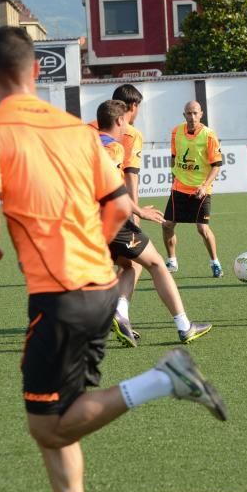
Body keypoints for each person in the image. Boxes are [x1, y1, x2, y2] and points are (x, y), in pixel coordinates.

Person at [0, 27, 227, 492]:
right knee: (64, 413)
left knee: (46, 427)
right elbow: (120, 205)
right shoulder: (75, 131)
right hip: (99, 287)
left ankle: (161, 381)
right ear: (38, 71)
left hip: (59, 293)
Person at [95, 100, 212, 347]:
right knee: (157, 264)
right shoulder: (113, 149)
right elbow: (112, 189)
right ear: (119, 121)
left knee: (131, 265)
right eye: (124, 121)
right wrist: (139, 210)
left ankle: (120, 314)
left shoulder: (85, 143)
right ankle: (184, 326)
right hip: (111, 221)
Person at [88, 84, 147, 342]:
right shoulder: (129, 135)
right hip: (111, 212)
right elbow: (128, 177)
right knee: (140, 264)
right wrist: (135, 212)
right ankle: (119, 314)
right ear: (130, 109)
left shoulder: (88, 128)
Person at [162, 101, 225, 278]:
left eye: (195, 113)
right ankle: (172, 261)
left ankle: (215, 262)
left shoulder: (209, 135)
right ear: (184, 115)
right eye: (188, 114)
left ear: (201, 114)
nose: (192, 117)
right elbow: (173, 157)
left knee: (202, 229)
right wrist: (173, 177)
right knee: (167, 225)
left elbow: (216, 165)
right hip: (179, 187)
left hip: (201, 190)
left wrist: (204, 186)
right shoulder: (176, 132)